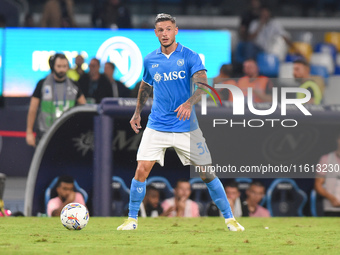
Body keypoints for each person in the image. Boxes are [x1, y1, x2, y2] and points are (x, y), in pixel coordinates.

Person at [117, 13, 244, 231]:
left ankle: (230, 219)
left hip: (186, 126)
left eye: (168, 29)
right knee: (141, 170)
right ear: (155, 33)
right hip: (157, 124)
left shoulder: (190, 56)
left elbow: (203, 85)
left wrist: (188, 103)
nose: (164, 33)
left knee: (207, 173)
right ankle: (131, 219)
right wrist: (138, 112)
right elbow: (146, 85)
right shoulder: (150, 59)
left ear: (176, 31)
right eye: (160, 30)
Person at [26, 53, 86, 147]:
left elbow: (84, 108)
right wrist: (29, 132)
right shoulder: (42, 84)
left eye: (64, 66)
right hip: (45, 133)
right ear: (53, 66)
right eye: (59, 66)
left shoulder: (74, 85)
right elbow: (32, 109)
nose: (62, 69)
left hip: (68, 134)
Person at [314, 132, 340, 216]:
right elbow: (318, 184)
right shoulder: (326, 159)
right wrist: (331, 198)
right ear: (338, 140)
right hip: (332, 209)